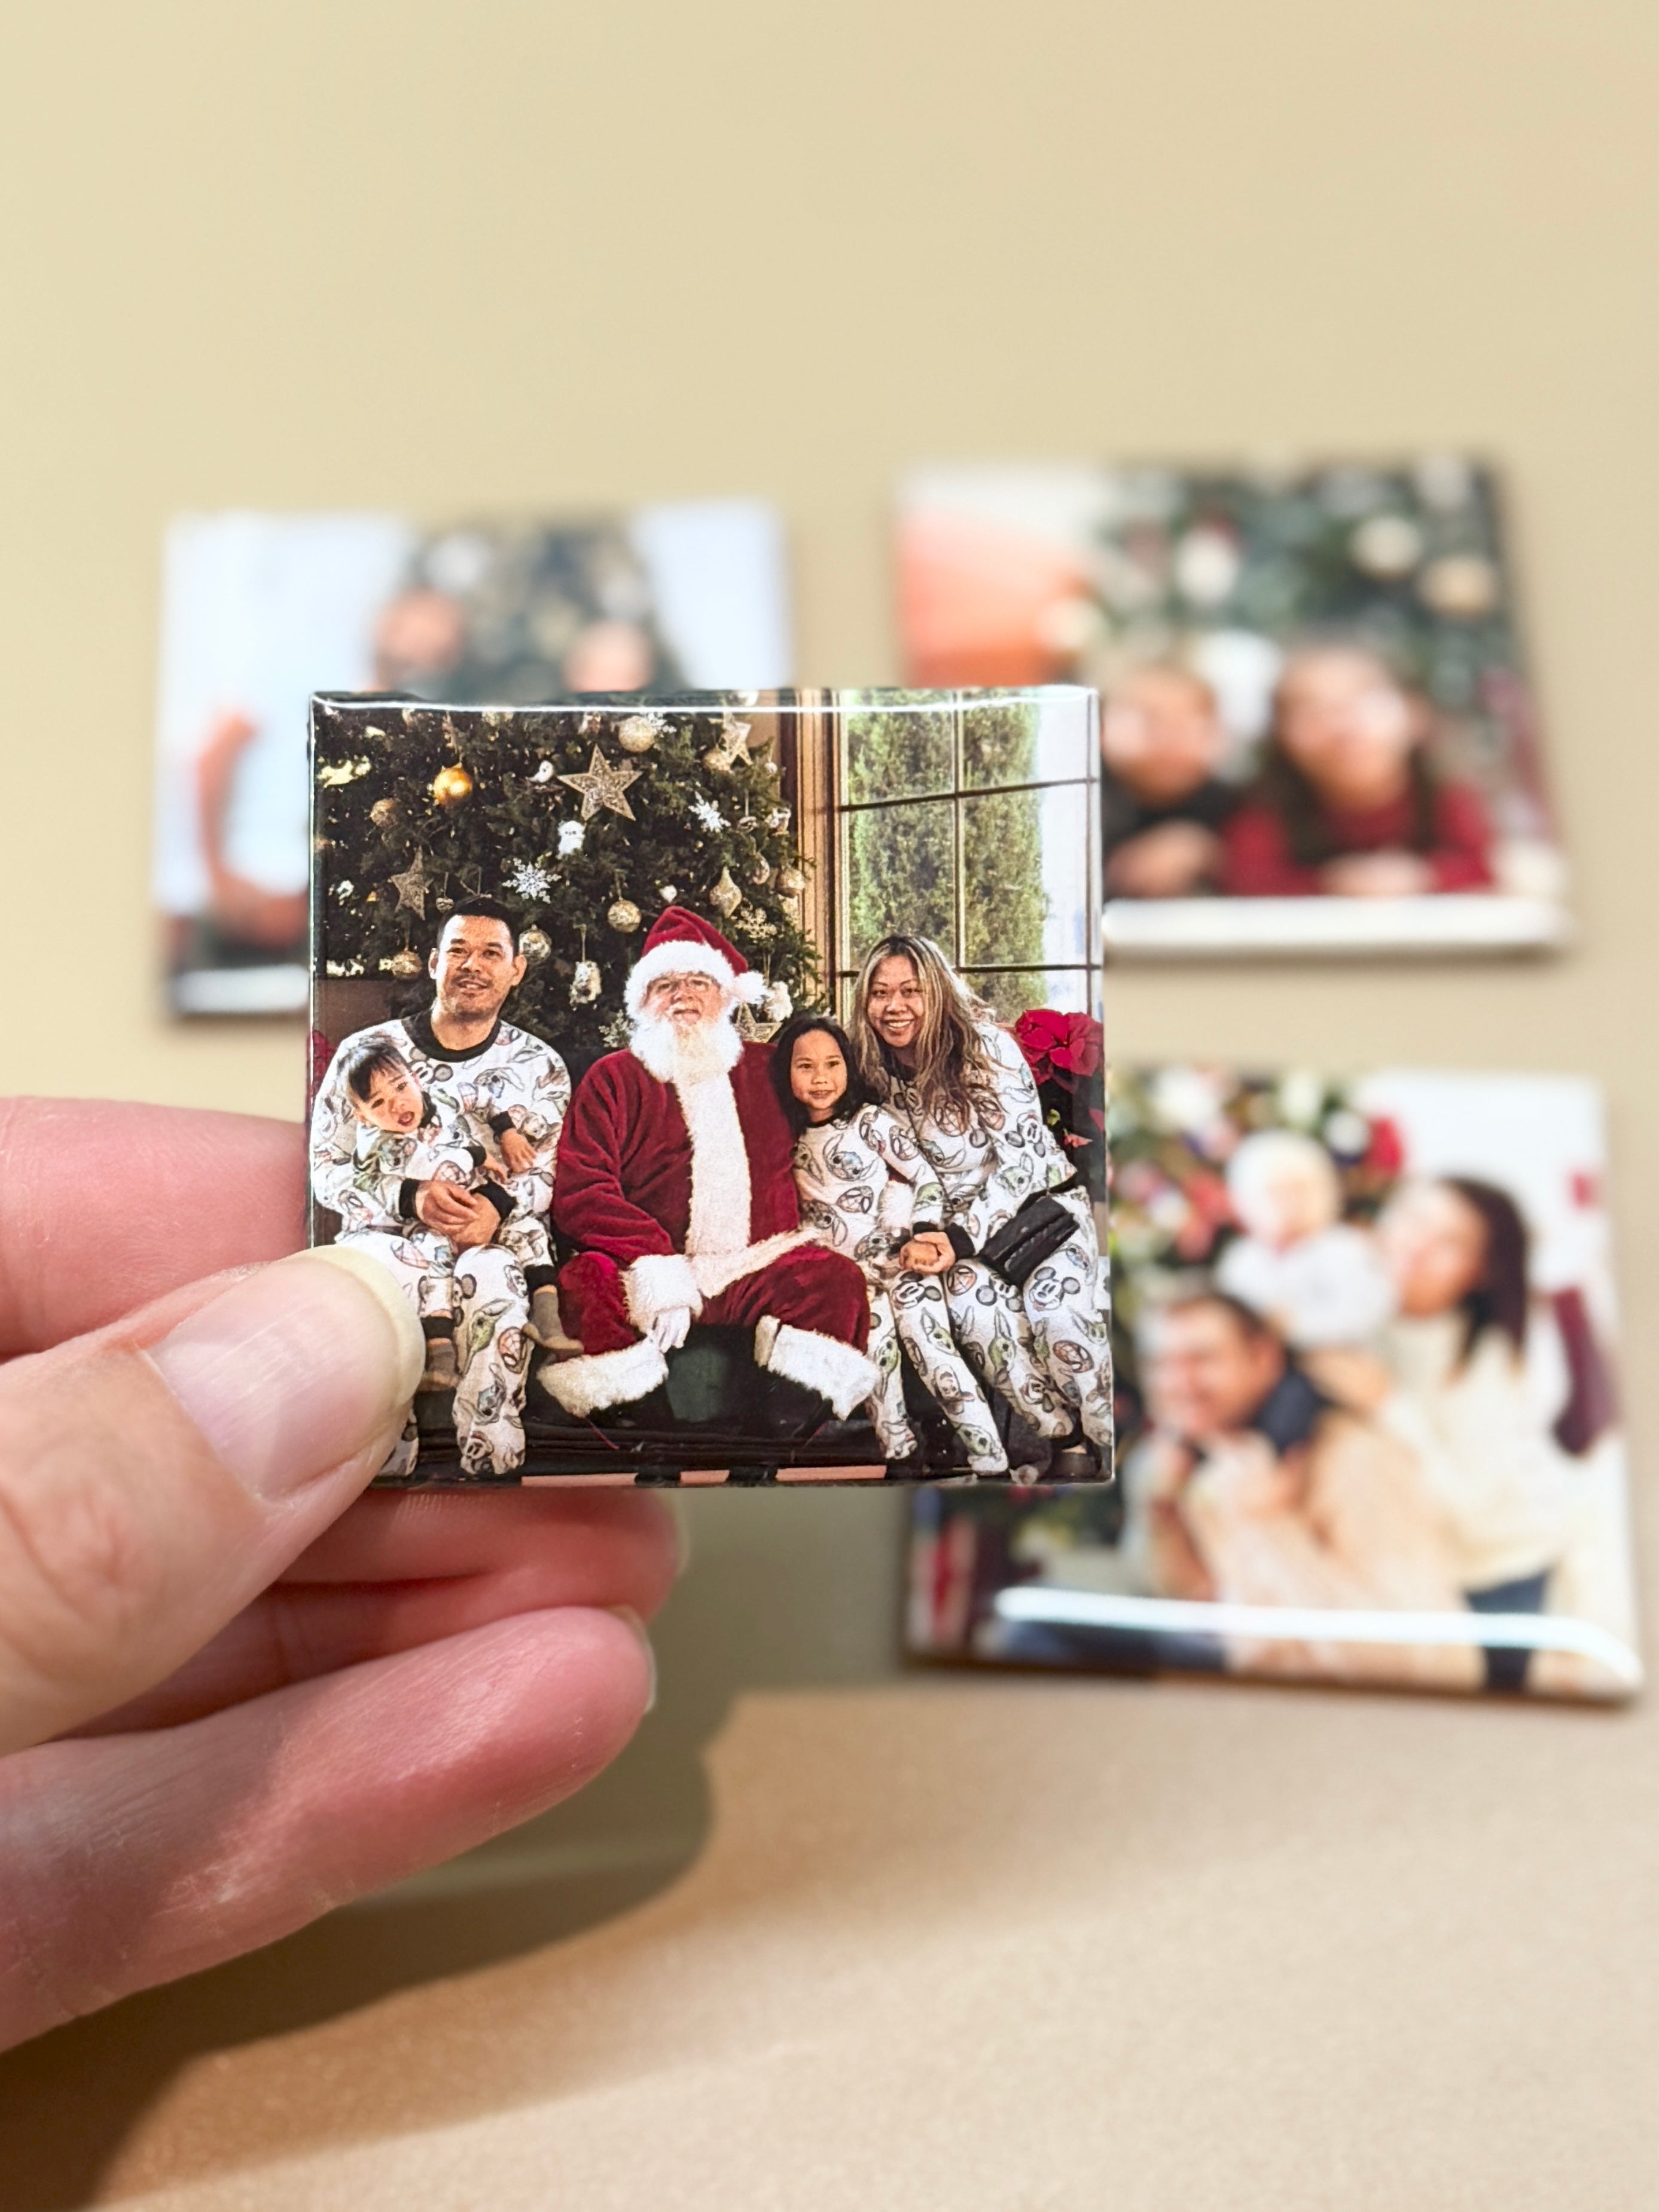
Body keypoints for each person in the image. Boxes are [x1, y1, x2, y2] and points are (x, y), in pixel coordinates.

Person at [0, 1097, 678, 2056]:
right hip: (394, 1315)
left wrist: (495, 1208)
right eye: (384, 1094)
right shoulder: (376, 1133)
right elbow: (355, 1185)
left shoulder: (529, 1110)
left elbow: (541, 1204)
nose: (402, 1102)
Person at [544, 909, 879, 1425]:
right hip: (648, 1268)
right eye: (666, 983)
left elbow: (838, 1106)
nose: (683, 996)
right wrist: (657, 1264)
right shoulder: (614, 1078)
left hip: (754, 1262)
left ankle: (779, 1434)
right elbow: (582, 1190)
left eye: (699, 981)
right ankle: (644, 1430)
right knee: (587, 1280)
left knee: (834, 1280)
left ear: (724, 994)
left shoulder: (770, 1067)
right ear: (642, 1000)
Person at [310, 898, 570, 1478]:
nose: (472, 965)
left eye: (490, 953)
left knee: (499, 1295)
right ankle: (376, 1471)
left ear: (516, 969)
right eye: (458, 950)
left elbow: (545, 1175)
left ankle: (490, 1467)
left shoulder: (541, 1068)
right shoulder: (364, 1056)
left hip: (488, 1239)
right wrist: (411, 1198)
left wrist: (492, 1213)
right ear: (433, 963)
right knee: (376, 1306)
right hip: (385, 1237)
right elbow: (325, 1171)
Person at [1121, 1290, 1477, 1688]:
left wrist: (1272, 1525)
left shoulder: (1355, 1459)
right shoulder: (1206, 1454)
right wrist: (1161, 1514)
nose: (1178, 1384)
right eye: (1160, 1364)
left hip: (1401, 1722)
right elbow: (1197, 1594)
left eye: (1202, 1359)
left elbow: (1399, 1661)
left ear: (1264, 1358)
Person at [850, 935, 1114, 1463]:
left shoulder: (987, 1048)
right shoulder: (873, 1067)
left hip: (1041, 1215)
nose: (893, 1006)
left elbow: (1025, 1162)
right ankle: (1067, 1443)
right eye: (880, 993)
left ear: (939, 992)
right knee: (976, 1313)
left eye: (910, 991)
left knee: (1056, 1316)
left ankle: (1114, 1439)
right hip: (955, 1239)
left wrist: (957, 1235)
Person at [776, 1014, 1071, 1476]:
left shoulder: (870, 1122)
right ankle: (899, 1452)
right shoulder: (785, 1136)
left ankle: (991, 1460)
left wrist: (922, 1234)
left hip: (903, 1259)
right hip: (850, 1277)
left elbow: (925, 1177)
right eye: (805, 1066)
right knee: (875, 1348)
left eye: (833, 1064)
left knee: (932, 1350)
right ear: (785, 1073)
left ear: (849, 1068)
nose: (820, 1078)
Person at [1326, 1177, 1582, 1692]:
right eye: (1413, 1218)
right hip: (1402, 1570)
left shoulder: (1492, 1363)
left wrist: (1387, 1404)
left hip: (1494, 1574)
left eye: (1450, 1241)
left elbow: (1470, 1507)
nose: (1416, 1245)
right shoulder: (1348, 1307)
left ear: (1483, 1271)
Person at [337, 1038, 563, 1389]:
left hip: (477, 1198)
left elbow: (482, 1098)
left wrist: (507, 1133)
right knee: (434, 1262)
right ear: (362, 1116)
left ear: (416, 1078)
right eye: (378, 1104)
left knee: (528, 1227)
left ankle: (547, 1315)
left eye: (400, 1086)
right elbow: (428, 1164)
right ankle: (440, 1352)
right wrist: (474, 1154)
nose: (397, 1104)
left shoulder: (442, 1096)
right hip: (428, 1220)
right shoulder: (378, 1144)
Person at [1221, 643, 1495, 898]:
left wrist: (1424, 878)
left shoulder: (1446, 798)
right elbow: (1248, 881)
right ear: (1280, 736)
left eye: (1362, 703)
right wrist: (1329, 885)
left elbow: (1484, 869)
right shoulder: (1266, 810)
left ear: (1415, 716)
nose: (1342, 728)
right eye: (1312, 711)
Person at [1215, 1128, 1396, 1351]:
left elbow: (1367, 1311)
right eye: (1274, 1191)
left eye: (1298, 1189)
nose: (1287, 1202)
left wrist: (1293, 1325)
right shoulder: (1242, 1259)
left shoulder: (1346, 1249)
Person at [1100, 664, 1237, 898]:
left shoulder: (1236, 808)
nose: (1171, 737)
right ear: (1100, 729)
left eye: (1190, 723)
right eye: (1150, 720)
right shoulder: (1067, 807)